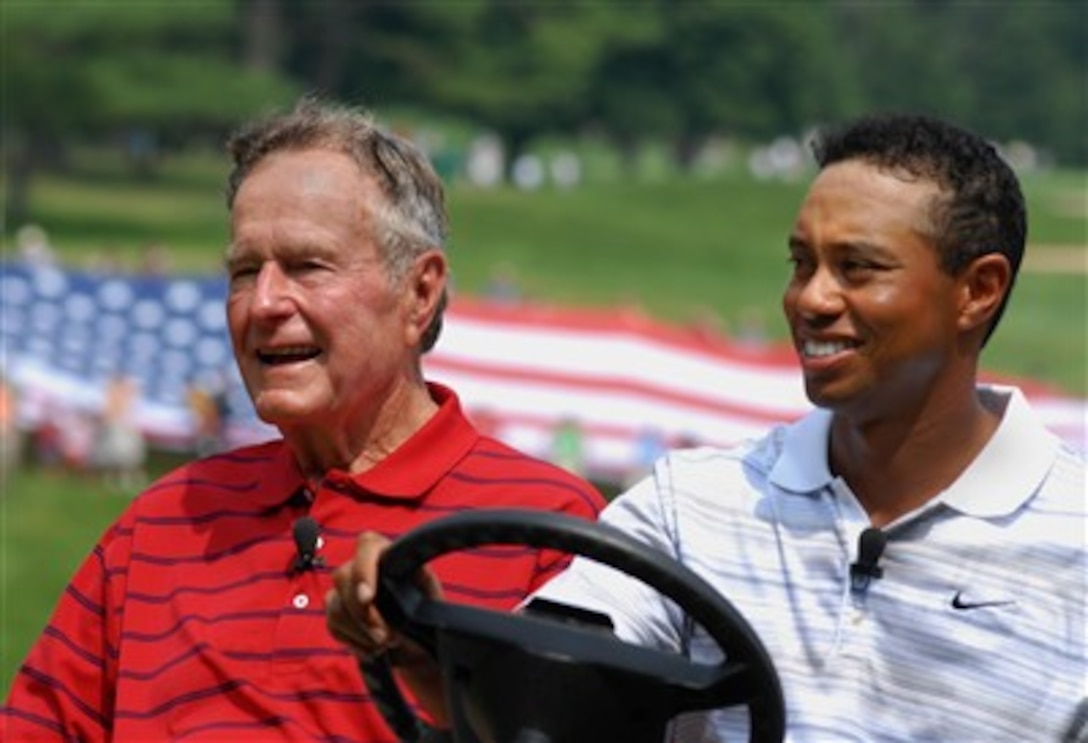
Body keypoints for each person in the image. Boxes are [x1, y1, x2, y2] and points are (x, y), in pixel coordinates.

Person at [326, 113, 1087, 741]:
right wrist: (418, 633)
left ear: (977, 291)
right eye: (800, 263)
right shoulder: (693, 502)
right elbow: (543, 700)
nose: (810, 299)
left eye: (857, 268)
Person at [2, 97, 605, 741]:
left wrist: (429, 654)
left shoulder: (549, 530)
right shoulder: (158, 526)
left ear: (419, 294)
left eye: (306, 267)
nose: (263, 303)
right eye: (243, 271)